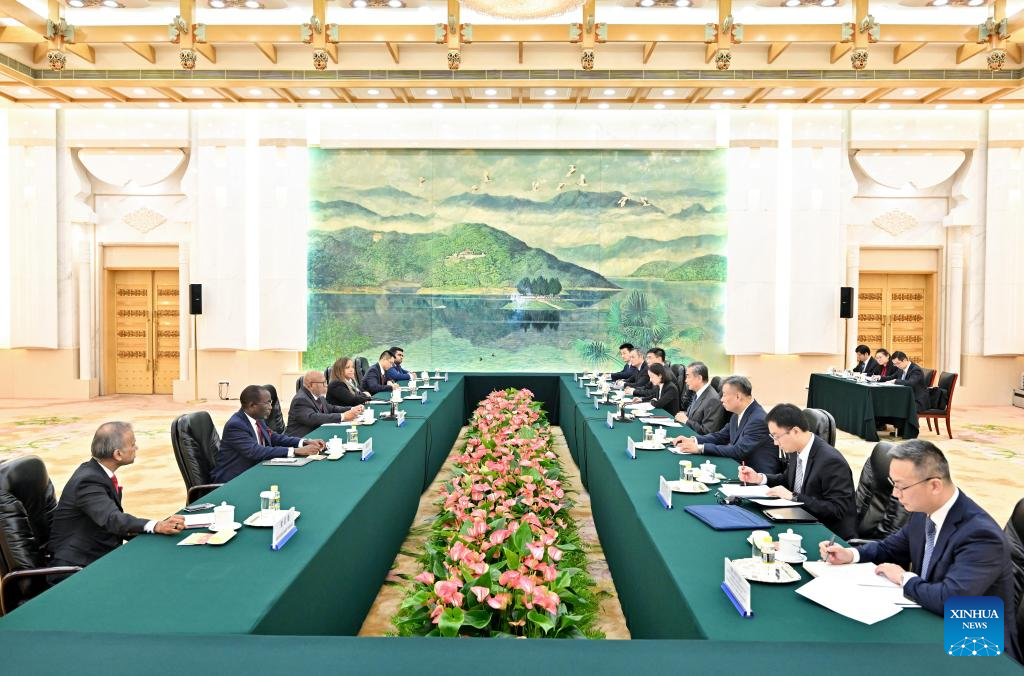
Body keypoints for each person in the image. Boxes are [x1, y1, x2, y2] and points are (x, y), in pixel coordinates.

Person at [820, 440, 1019, 662]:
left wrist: (904, 578)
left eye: (901, 486)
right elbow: (890, 547)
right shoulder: (923, 511)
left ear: (934, 485)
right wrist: (851, 554)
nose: (894, 494)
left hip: (976, 641)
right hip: (929, 615)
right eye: (892, 484)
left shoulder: (981, 535)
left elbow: (950, 600)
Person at [48, 422, 185, 571]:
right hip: (77, 568)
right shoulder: (87, 481)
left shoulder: (95, 472)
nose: (136, 448)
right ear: (118, 454)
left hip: (98, 556)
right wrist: (156, 526)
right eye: (132, 445)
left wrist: (154, 530)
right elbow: (113, 519)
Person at [738, 404, 857, 539]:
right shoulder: (797, 449)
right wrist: (759, 478)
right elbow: (788, 479)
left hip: (829, 535)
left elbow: (837, 510)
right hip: (800, 518)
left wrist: (794, 497)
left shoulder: (831, 461)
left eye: (776, 436)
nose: (775, 443)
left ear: (795, 431)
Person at [671, 375, 783, 475]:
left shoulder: (758, 419)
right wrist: (693, 440)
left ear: (738, 396)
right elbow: (720, 436)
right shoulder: (738, 413)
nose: (721, 399)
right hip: (740, 468)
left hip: (758, 477)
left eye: (724, 395)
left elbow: (739, 451)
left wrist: (700, 448)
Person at [212, 385, 324, 483]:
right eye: (267, 403)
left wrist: (304, 442)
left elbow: (274, 437)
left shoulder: (258, 419)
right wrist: (295, 451)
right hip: (234, 480)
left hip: (255, 471)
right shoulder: (236, 425)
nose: (271, 407)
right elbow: (255, 451)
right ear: (252, 405)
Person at [286, 370, 365, 438]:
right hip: (300, 439)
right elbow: (313, 418)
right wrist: (343, 416)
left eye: (326, 382)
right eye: (323, 383)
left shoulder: (318, 395)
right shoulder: (301, 399)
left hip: (316, 435)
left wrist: (352, 409)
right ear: (310, 385)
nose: (326, 385)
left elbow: (331, 408)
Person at [674, 361, 727, 434]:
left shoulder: (712, 400)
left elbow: (707, 431)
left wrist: (686, 421)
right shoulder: (698, 392)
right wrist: (682, 416)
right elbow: (693, 416)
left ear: (699, 378)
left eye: (688, 376)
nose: (686, 380)